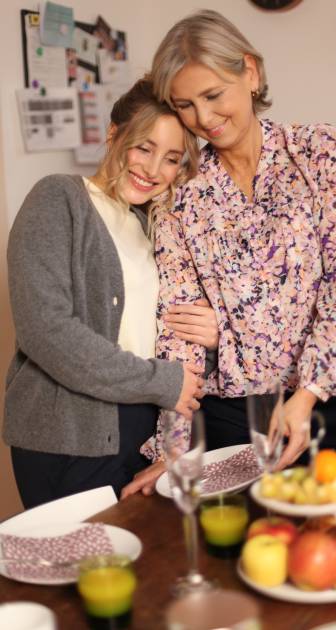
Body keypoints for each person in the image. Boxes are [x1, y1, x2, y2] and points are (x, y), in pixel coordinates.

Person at [121, 10, 336, 498]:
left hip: (330, 402)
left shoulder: (319, 151)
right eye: (185, 105)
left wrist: (306, 395)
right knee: (240, 542)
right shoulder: (179, 193)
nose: (204, 119)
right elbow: (179, 331)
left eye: (213, 95)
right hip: (232, 418)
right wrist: (172, 449)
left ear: (250, 72)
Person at [4, 78, 220, 509]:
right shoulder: (59, 198)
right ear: (113, 133)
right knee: (86, 553)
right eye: (143, 147)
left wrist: (212, 335)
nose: (153, 169)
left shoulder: (155, 224)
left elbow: (170, 334)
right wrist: (164, 382)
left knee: (146, 549)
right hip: (70, 436)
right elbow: (46, 330)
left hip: (142, 430)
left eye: (171, 158)